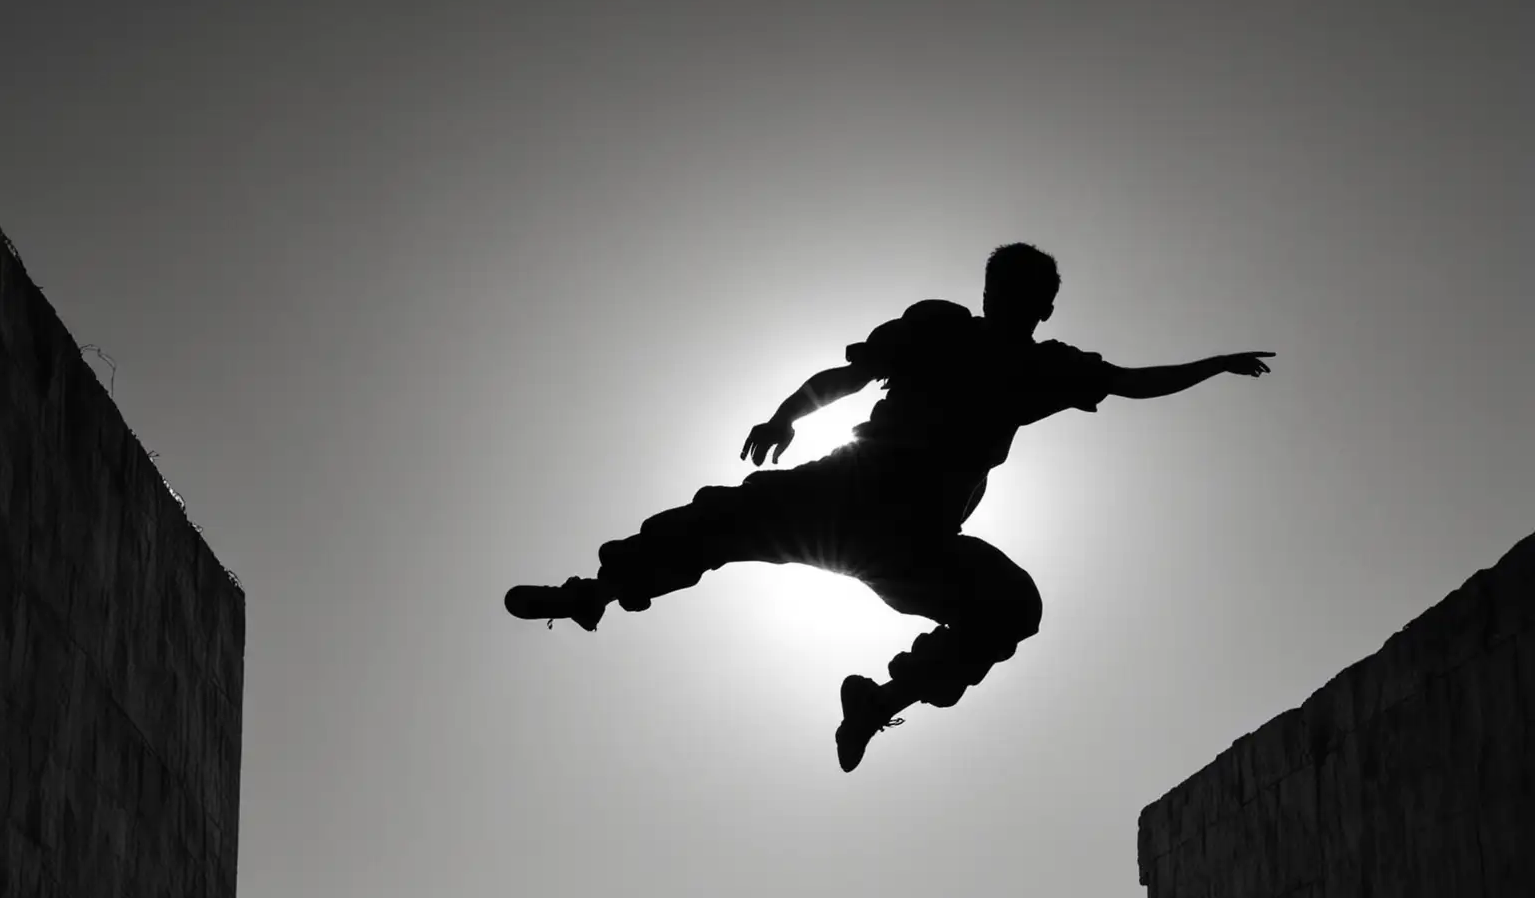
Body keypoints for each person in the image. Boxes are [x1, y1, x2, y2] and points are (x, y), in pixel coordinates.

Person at [506, 243, 1273, 771]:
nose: (1012, 307)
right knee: (716, 520)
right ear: (988, 294)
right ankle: (592, 594)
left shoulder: (1046, 369)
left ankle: (877, 701)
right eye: (1003, 293)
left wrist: (1214, 364)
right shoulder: (940, 330)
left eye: (1026, 299)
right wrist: (785, 414)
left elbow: (1135, 383)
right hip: (847, 492)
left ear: (1041, 308)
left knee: (1012, 605)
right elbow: (854, 373)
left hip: (917, 538)